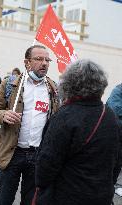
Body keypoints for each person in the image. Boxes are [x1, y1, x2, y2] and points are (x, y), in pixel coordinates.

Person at [34, 59, 122, 205]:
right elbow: (116, 161)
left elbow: (46, 165)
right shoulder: (109, 115)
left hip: (68, 195)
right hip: (101, 196)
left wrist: (41, 186)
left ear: (70, 83)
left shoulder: (65, 115)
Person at [0, 45, 59, 205]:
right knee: (3, 199)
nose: (44, 63)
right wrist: (4, 114)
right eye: (39, 59)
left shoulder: (53, 88)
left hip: (38, 156)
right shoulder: (10, 84)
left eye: (47, 60)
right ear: (27, 62)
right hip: (11, 154)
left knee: (31, 201)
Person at [107, 84, 122, 196]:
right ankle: (112, 186)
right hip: (116, 134)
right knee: (114, 162)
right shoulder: (118, 90)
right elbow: (114, 108)